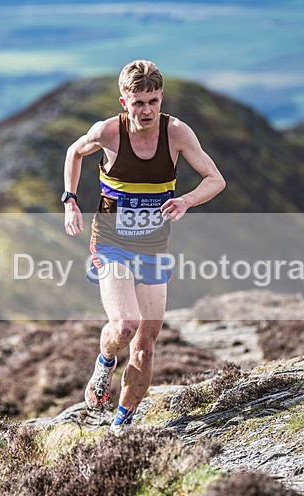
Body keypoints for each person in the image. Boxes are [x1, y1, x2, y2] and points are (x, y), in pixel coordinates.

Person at [63, 60, 225, 432]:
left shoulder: (178, 133)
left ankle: (122, 424)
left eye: (153, 101)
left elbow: (215, 180)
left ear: (161, 97)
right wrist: (70, 199)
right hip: (112, 244)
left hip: (154, 248)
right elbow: (74, 152)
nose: (147, 110)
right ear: (124, 102)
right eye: (138, 103)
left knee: (146, 344)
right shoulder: (108, 132)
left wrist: (186, 201)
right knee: (124, 326)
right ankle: (103, 364)